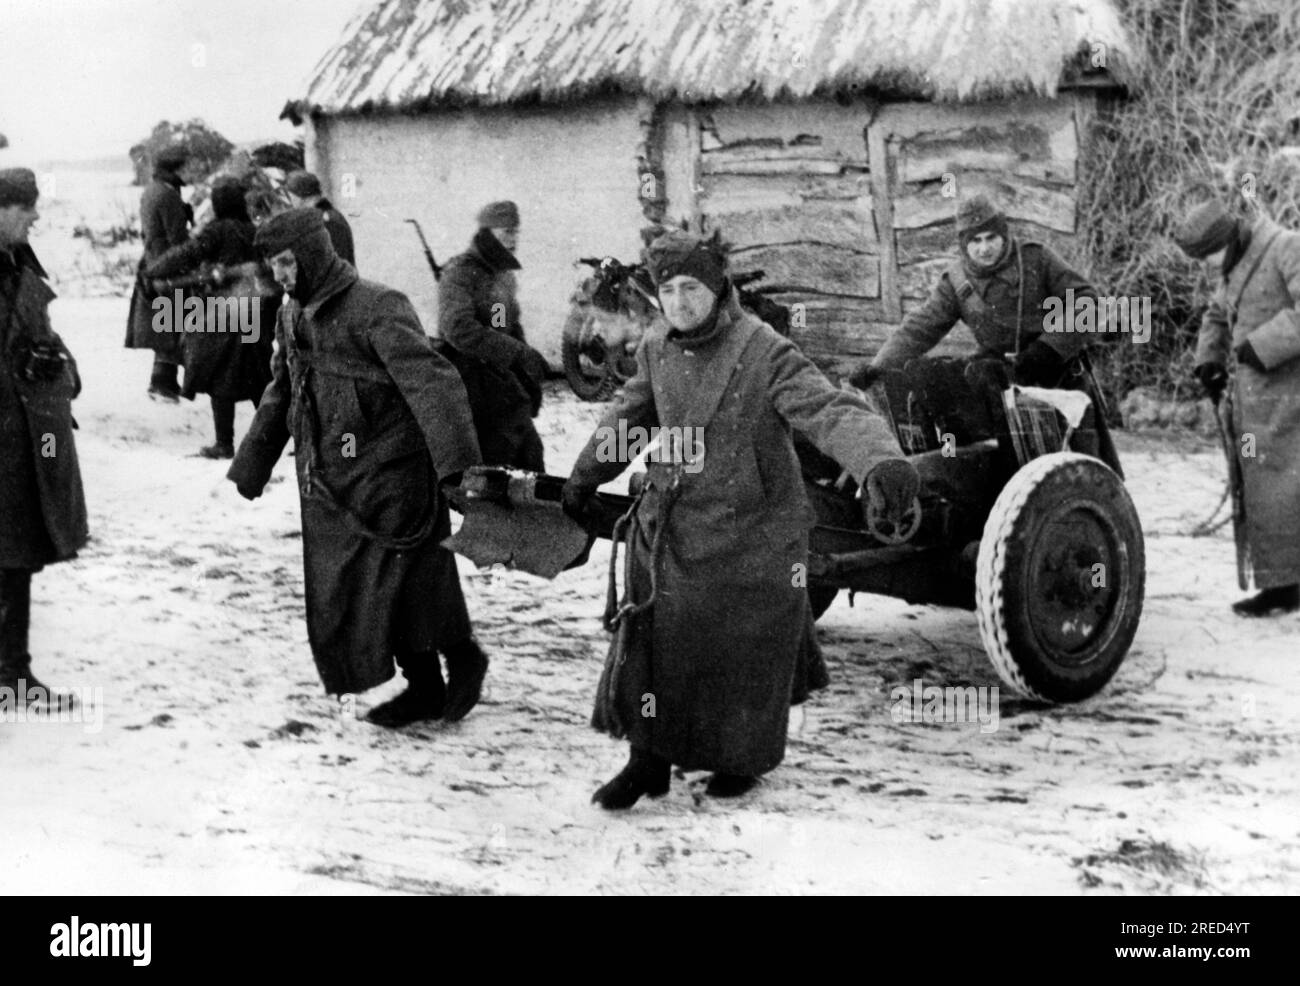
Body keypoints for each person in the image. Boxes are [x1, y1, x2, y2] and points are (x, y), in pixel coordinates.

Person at [561, 230, 920, 809]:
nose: (679, 301)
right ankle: (647, 760)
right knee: (655, 637)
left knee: (740, 649)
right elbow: (630, 418)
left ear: (716, 287)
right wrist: (586, 474)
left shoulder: (762, 349)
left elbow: (827, 408)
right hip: (679, 519)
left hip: (752, 525)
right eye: (668, 289)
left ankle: (742, 758)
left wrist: (879, 461)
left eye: (691, 288)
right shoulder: (656, 349)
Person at [226, 208, 489, 725]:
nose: (279, 275)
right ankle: (425, 687)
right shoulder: (291, 313)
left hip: (395, 472)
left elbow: (433, 385)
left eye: (285, 262)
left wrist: (457, 470)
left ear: (312, 252)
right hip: (334, 481)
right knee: (369, 589)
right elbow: (284, 387)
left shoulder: (377, 305)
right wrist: (252, 461)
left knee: (413, 578)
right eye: (272, 265)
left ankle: (461, 659)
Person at [848, 194, 1121, 473]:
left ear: (1004, 235)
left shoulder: (1036, 259)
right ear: (964, 244)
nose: (984, 248)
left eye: (991, 237)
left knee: (1084, 471)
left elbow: (1087, 302)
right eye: (975, 241)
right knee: (1003, 468)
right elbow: (919, 328)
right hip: (1002, 381)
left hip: (1057, 375)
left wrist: (1049, 347)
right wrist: (876, 368)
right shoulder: (957, 282)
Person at [1176, 198, 1300, 616]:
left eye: (1211, 254)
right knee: (1260, 491)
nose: (1210, 265)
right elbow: (1215, 314)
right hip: (1254, 404)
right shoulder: (1235, 263)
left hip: (1292, 397)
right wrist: (1208, 359)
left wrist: (1259, 347)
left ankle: (1285, 585)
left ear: (1230, 237)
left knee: (1288, 489)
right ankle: (1279, 584)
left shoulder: (1285, 246)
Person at [0, 168, 88, 708]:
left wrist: (62, 368)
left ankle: (13, 676)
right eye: (24, 207)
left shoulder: (19, 268)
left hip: (22, 437)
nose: (34, 215)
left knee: (16, 556)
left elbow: (44, 340)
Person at [145, 176, 276, 458]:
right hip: (255, 310)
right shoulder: (253, 230)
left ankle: (224, 443)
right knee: (257, 375)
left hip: (225, 314)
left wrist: (155, 269)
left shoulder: (217, 231)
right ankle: (268, 441)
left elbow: (186, 254)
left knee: (221, 375)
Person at [437, 200, 548, 470]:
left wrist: (528, 372)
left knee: (530, 457)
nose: (513, 239)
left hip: (501, 385)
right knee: (494, 468)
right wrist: (516, 353)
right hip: (470, 388)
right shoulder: (461, 274)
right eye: (506, 232)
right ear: (487, 233)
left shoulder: (503, 276)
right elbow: (458, 329)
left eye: (515, 232)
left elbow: (505, 326)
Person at [125, 145, 191, 401]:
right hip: (169, 266)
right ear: (176, 168)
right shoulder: (168, 195)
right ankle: (163, 384)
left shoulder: (152, 190)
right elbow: (178, 238)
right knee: (174, 324)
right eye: (185, 165)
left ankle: (162, 382)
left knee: (168, 325)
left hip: (154, 262)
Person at [284, 170, 354, 266]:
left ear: (300, 197)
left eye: (291, 197)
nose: (291, 203)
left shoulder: (328, 221)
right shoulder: (319, 218)